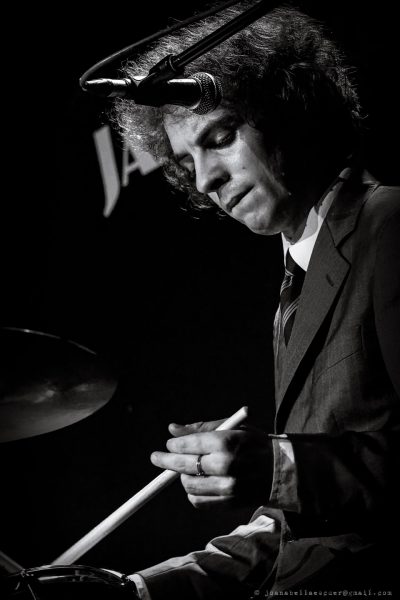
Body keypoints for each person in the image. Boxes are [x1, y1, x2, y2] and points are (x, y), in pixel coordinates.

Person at [112, 1, 400, 597]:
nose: (204, 180)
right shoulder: (299, 277)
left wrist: (280, 466)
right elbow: (293, 528)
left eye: (219, 138)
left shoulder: (388, 226)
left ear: (290, 109)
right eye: (186, 161)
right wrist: (137, 589)